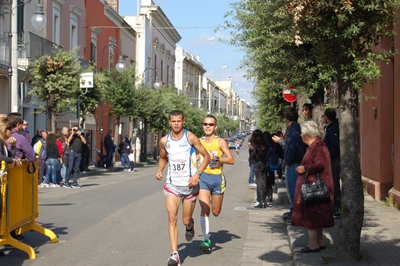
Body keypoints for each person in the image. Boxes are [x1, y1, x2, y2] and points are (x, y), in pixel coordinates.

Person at [155, 110, 210, 266]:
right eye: (173, 121)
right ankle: (175, 255)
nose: (176, 124)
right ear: (169, 122)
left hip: (190, 185)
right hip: (172, 185)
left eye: (179, 121)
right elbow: (162, 157)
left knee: (185, 219)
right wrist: (160, 170)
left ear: (183, 122)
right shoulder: (164, 141)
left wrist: (198, 174)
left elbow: (207, 156)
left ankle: (190, 225)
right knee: (172, 217)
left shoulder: (190, 137)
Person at [291, 121, 334, 253]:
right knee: (318, 214)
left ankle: (313, 244)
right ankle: (320, 241)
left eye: (302, 133)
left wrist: (304, 168)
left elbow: (319, 164)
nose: (301, 135)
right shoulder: (317, 145)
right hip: (316, 184)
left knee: (312, 214)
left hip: (314, 186)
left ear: (308, 135)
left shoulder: (316, 146)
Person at [198, 115, 235, 252]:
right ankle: (206, 240)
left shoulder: (220, 142)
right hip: (203, 178)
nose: (208, 126)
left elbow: (231, 160)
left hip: (217, 179)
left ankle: (207, 235)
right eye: (205, 124)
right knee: (204, 208)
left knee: (216, 211)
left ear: (215, 127)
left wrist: (218, 159)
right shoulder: (199, 141)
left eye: (211, 124)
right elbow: (193, 157)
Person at [0, 117, 22, 257]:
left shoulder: (4, 142)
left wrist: (12, 147)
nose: (11, 131)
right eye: (9, 129)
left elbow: (8, 157)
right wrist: (12, 160)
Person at [280, 107, 307, 220]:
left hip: (293, 163)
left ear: (287, 118)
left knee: (293, 189)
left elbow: (291, 147)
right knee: (295, 188)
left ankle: (295, 212)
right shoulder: (297, 128)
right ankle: (295, 211)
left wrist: (288, 162)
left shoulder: (292, 130)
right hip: (297, 161)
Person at [323, 108, 341, 218]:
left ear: (326, 117)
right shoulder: (331, 127)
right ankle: (334, 207)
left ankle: (337, 209)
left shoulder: (333, 128)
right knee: (332, 184)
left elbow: (335, 147)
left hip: (334, 161)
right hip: (332, 160)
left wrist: (328, 156)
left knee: (334, 185)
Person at [249, 129, 268, 208]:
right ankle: (264, 201)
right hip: (265, 164)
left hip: (258, 165)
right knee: (264, 182)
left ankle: (261, 201)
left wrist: (251, 161)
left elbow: (252, 156)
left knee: (259, 183)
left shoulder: (256, 146)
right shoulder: (265, 144)